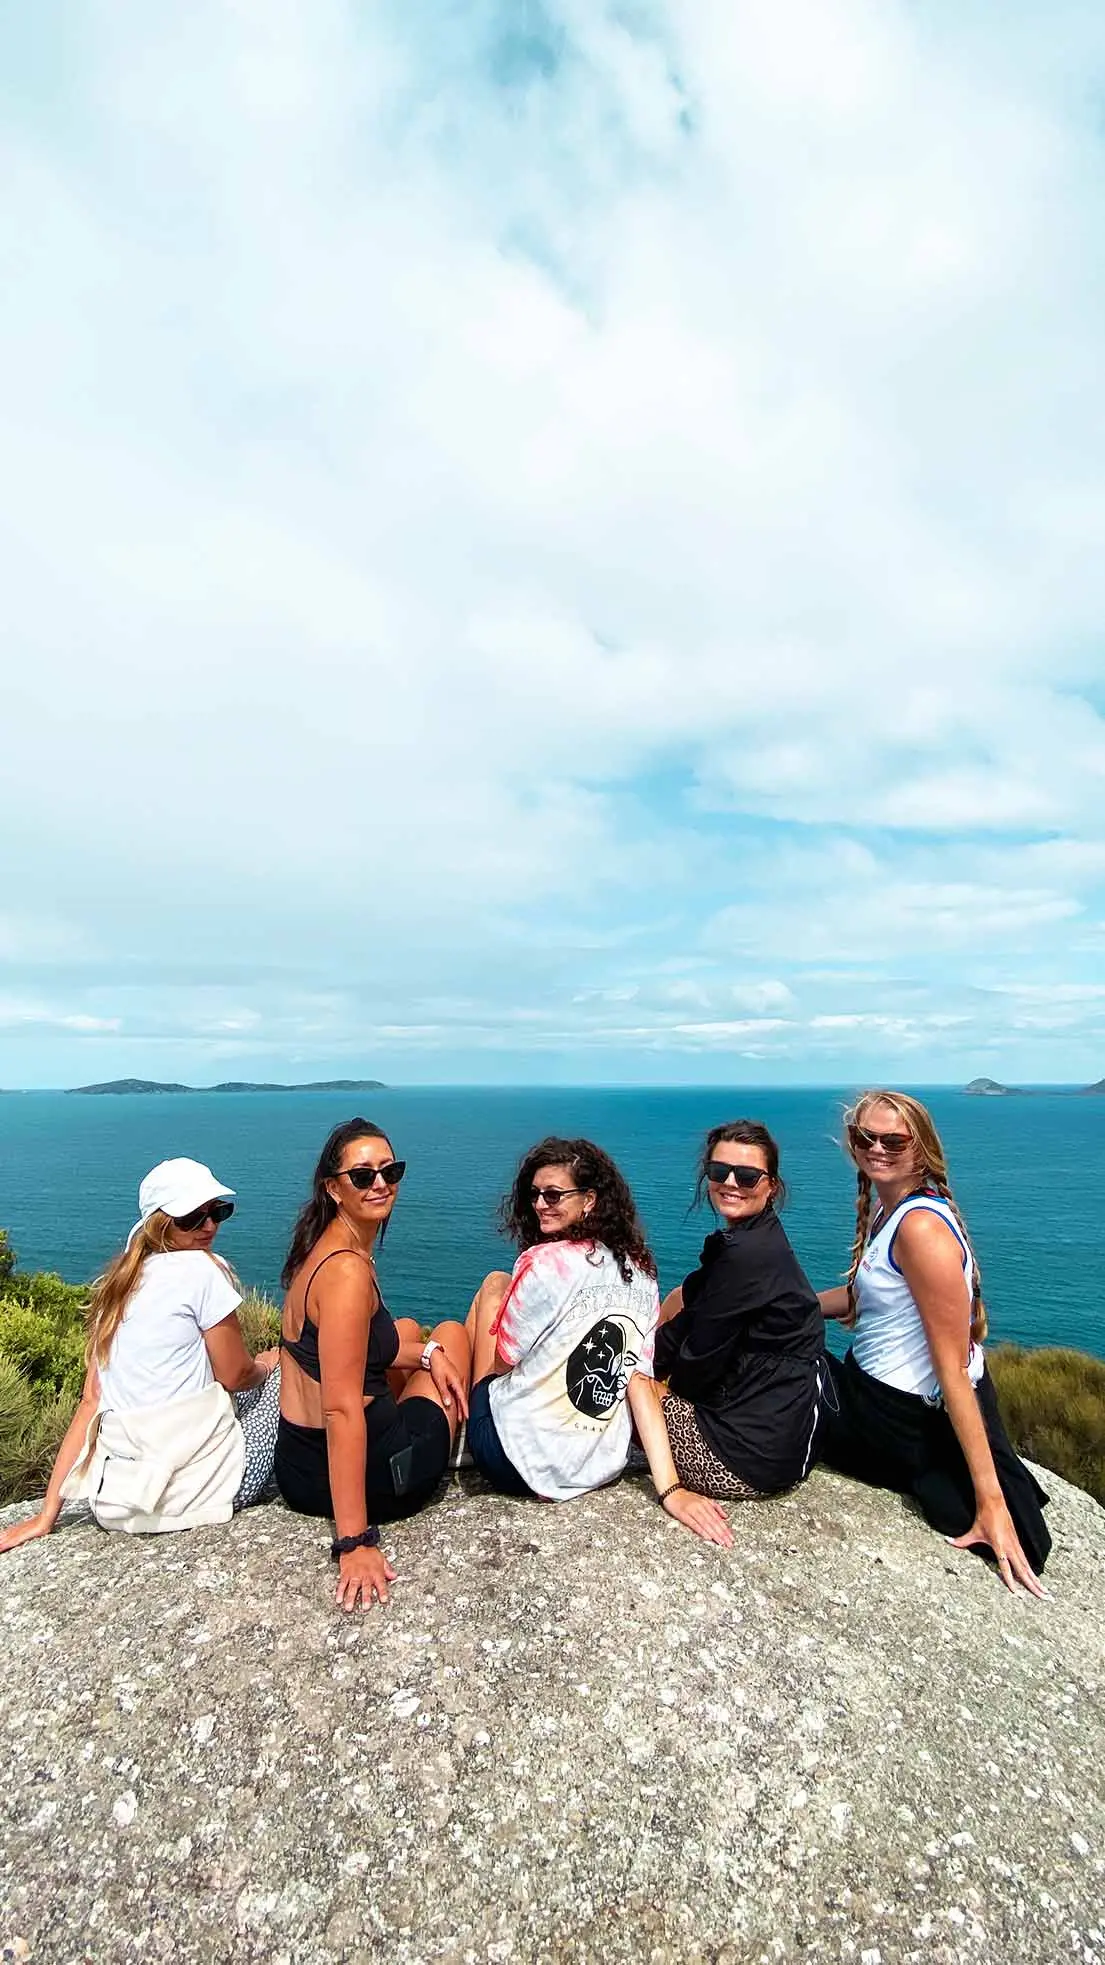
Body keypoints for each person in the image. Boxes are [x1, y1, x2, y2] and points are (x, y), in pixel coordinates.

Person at [816, 1090, 1051, 1597]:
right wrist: (790, 1304)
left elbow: (951, 1372)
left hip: (891, 1420)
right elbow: (865, 1298)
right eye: (865, 1137)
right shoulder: (897, 1209)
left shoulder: (921, 1229)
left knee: (770, 1362)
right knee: (766, 1321)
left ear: (920, 1149)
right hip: (888, 1403)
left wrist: (990, 1502)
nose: (876, 1148)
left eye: (894, 1140)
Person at [0, 1159, 281, 1550]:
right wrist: (269, 1364)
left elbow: (90, 1403)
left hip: (118, 1505)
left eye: (218, 1212)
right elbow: (235, 1375)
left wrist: (49, 1513)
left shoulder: (114, 1293)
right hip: (203, 1493)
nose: (210, 1226)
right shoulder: (202, 1271)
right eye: (193, 1219)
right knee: (289, 1371)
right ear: (161, 1225)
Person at [464, 1136, 732, 1545]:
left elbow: (505, 1361)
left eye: (553, 1195)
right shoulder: (641, 1270)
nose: (540, 1204)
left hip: (512, 1462)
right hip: (593, 1467)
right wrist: (671, 1489)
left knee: (493, 1286)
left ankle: (464, 1418)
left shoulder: (542, 1263)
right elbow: (639, 1381)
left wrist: (488, 1378)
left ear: (588, 1200)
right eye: (534, 1194)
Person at [274, 1117, 470, 1612]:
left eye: (390, 1170)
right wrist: (354, 1542)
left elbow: (356, 1353)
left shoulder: (319, 1252)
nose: (380, 1183)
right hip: (380, 1475)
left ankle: (428, 1358)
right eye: (363, 1176)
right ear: (334, 1189)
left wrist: (426, 1355)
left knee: (410, 1333)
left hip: (298, 1467)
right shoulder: (346, 1272)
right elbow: (341, 1409)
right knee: (453, 1334)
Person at [649, 1121, 826, 1501]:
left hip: (739, 1461)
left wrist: (650, 1382)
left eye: (747, 1176)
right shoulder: (760, 1239)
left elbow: (699, 1362)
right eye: (718, 1171)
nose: (730, 1182)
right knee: (678, 1298)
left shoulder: (747, 1257)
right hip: (781, 1452)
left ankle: (670, 1489)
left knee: (630, 1386)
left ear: (771, 1186)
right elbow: (693, 1310)